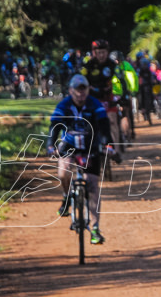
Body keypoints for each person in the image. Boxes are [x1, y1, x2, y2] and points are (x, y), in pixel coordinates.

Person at [46, 74, 118, 245]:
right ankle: (66, 197)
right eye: (77, 91)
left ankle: (95, 228)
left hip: (90, 147)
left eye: (83, 90)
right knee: (63, 173)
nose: (80, 94)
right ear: (70, 91)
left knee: (92, 185)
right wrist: (50, 145)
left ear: (87, 90)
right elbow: (54, 126)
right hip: (69, 146)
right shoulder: (64, 105)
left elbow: (104, 126)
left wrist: (108, 144)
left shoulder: (94, 104)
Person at [82, 39, 122, 146]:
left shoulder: (112, 65)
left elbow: (121, 80)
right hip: (92, 98)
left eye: (103, 52)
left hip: (108, 97)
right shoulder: (88, 65)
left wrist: (122, 94)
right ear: (94, 52)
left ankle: (115, 150)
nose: (101, 55)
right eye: (99, 52)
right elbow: (80, 81)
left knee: (112, 121)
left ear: (107, 52)